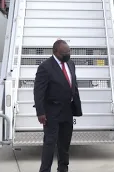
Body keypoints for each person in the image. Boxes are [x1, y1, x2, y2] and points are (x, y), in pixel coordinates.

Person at [34, 40, 83, 172]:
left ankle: (63, 168)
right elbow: (39, 91)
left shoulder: (70, 64)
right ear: (55, 52)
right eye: (64, 53)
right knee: (50, 143)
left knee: (65, 143)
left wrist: (77, 106)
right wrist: (40, 112)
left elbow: (73, 85)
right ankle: (45, 170)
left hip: (67, 110)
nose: (67, 54)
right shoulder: (45, 67)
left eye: (69, 51)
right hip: (52, 111)